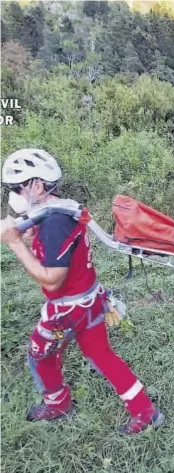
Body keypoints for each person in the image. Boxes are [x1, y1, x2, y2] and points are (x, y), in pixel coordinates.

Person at [0, 149, 164, 434]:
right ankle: (146, 412)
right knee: (102, 355)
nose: (14, 194)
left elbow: (52, 280)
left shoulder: (53, 222)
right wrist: (28, 235)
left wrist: (15, 244)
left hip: (67, 310)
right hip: (90, 300)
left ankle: (58, 405)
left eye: (17, 188)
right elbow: (61, 250)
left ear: (37, 186)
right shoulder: (59, 208)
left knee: (39, 356)